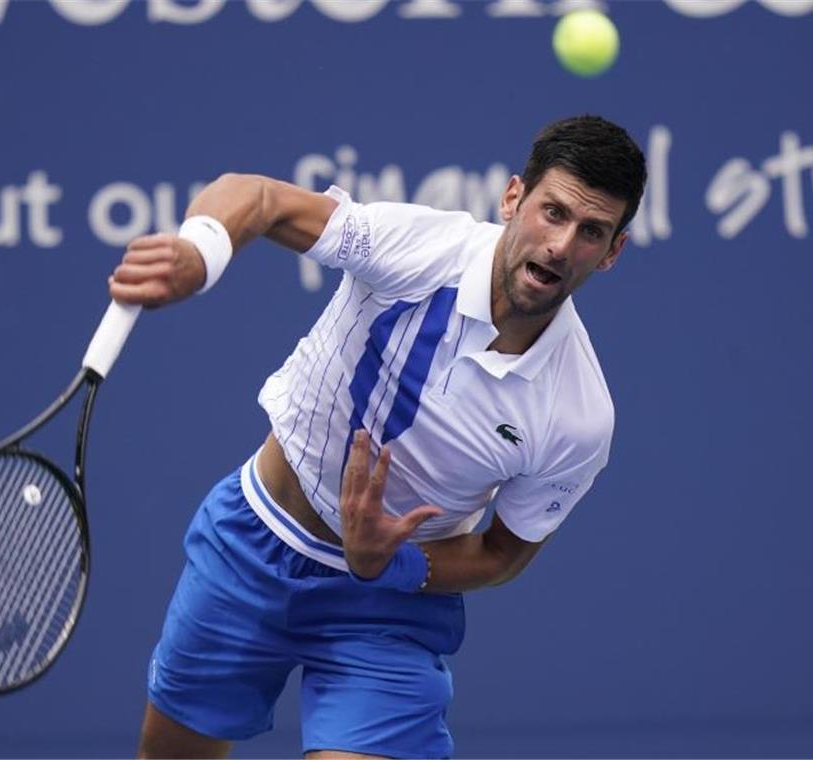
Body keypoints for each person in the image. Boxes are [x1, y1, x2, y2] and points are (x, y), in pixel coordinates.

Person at [110, 115, 647, 759]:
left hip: (386, 609)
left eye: (591, 232)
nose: (561, 245)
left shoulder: (578, 415)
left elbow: (504, 553)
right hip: (252, 545)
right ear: (513, 199)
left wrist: (392, 564)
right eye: (552, 212)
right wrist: (201, 251)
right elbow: (257, 197)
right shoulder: (420, 248)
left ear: (612, 251)